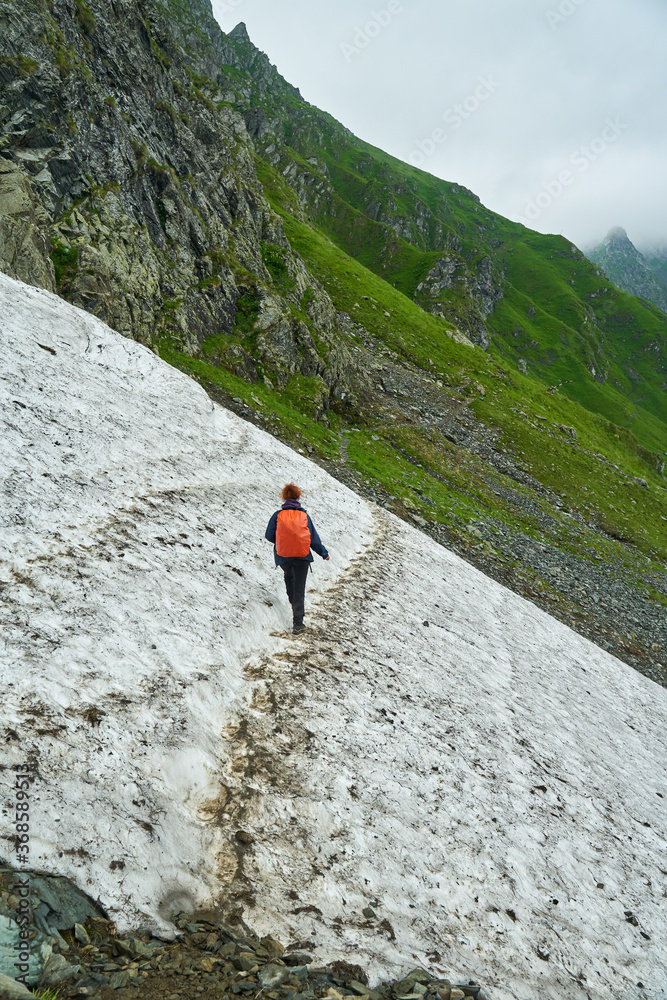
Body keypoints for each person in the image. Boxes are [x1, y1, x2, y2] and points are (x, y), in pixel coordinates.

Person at [265, 483, 329, 633]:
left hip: (284, 556)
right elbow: (313, 539)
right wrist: (323, 553)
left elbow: (268, 535)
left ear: (284, 497)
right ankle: (298, 623)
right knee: (299, 588)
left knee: (289, 580)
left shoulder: (277, 515)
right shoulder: (304, 516)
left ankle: (295, 607)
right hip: (302, 557)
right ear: (298, 497)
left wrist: (282, 540)